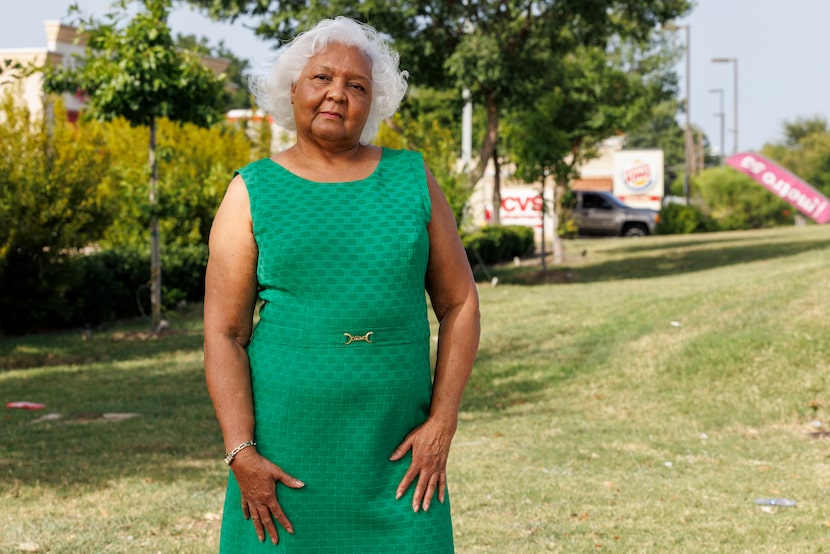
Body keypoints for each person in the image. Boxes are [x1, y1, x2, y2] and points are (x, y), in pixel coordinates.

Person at [203, 16, 481, 553]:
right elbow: (224, 333)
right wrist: (242, 453)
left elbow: (461, 301)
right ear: (292, 90)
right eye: (322, 78)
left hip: (401, 459)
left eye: (357, 85)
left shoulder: (413, 178)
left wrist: (442, 421)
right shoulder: (251, 191)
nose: (338, 94)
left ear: (373, 102)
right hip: (283, 459)